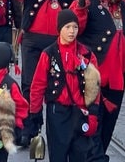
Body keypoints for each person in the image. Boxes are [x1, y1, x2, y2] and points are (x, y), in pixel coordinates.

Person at [0, 0, 77, 146]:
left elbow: (76, 8)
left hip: (58, 43)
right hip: (32, 40)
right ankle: (29, 126)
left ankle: (57, 127)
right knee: (30, 85)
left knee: (58, 86)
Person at [71, 0, 125, 159]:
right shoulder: (90, 2)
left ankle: (98, 154)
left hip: (118, 78)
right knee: (93, 122)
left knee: (109, 123)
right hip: (93, 75)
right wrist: (80, 6)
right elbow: (76, 28)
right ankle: (96, 158)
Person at [29, 10, 101, 161]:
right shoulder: (48, 54)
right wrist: (34, 113)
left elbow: (94, 87)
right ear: (59, 29)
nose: (71, 31)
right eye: (67, 27)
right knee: (58, 155)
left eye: (75, 27)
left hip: (81, 112)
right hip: (57, 112)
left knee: (80, 156)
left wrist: (93, 113)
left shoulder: (87, 55)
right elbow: (38, 85)